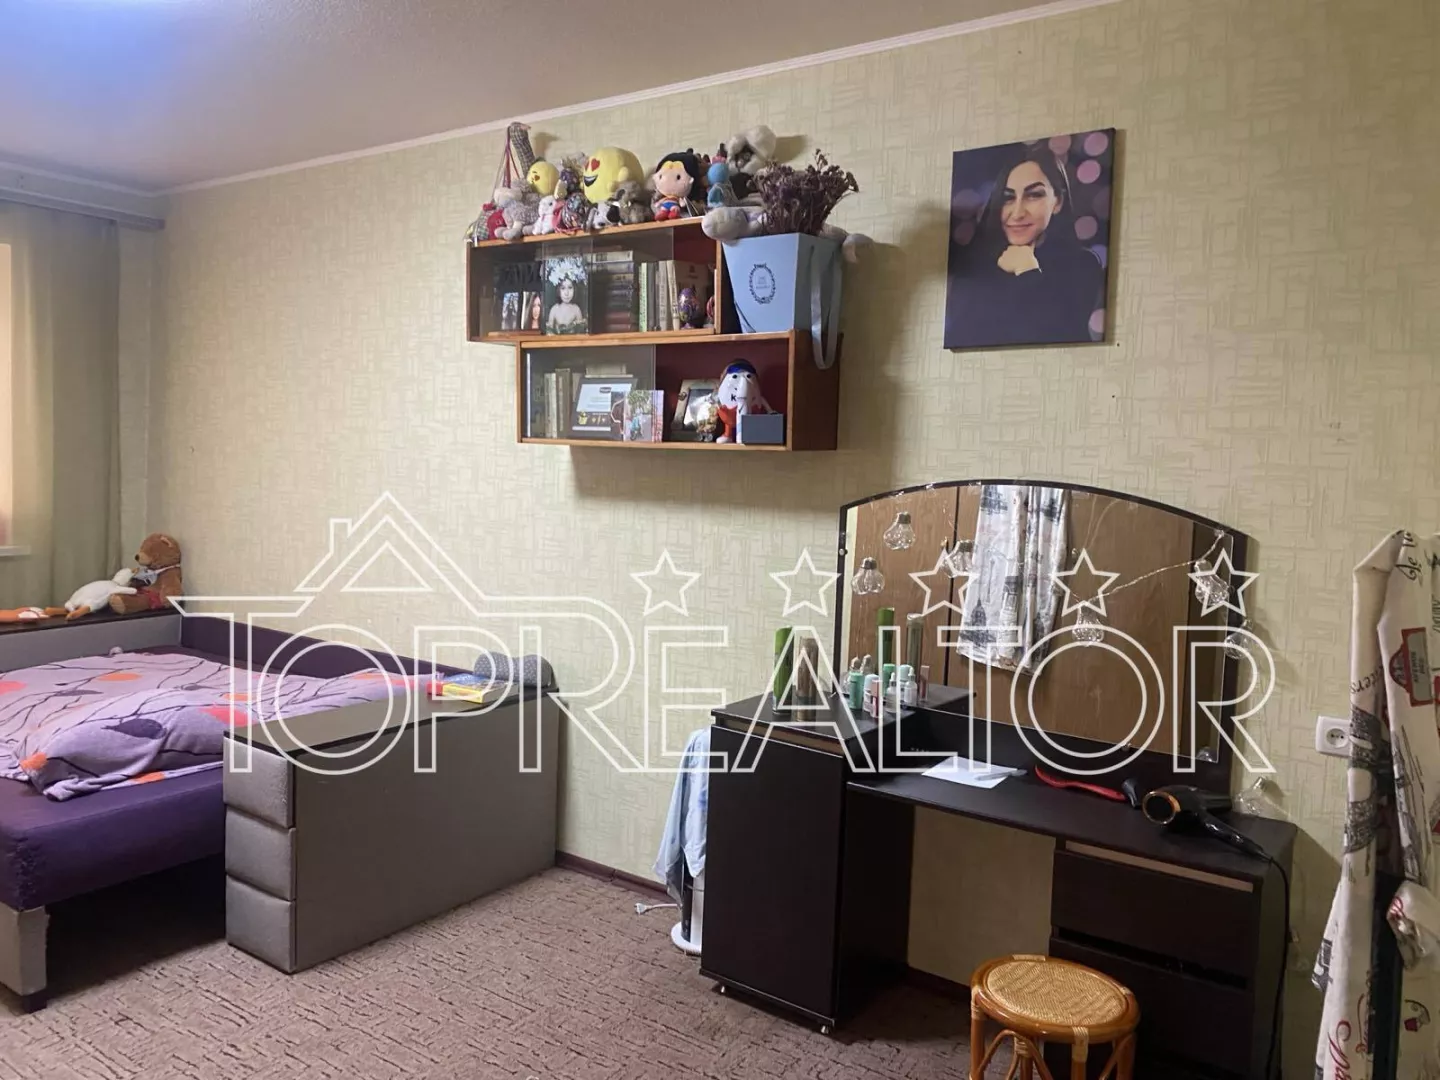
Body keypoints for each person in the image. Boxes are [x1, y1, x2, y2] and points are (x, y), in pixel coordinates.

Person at [944, 145, 1105, 348]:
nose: (1018, 213)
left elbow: (1062, 336)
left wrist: (1027, 270)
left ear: (1058, 202)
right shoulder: (974, 272)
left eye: (1034, 195)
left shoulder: (1081, 266)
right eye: (1008, 198)